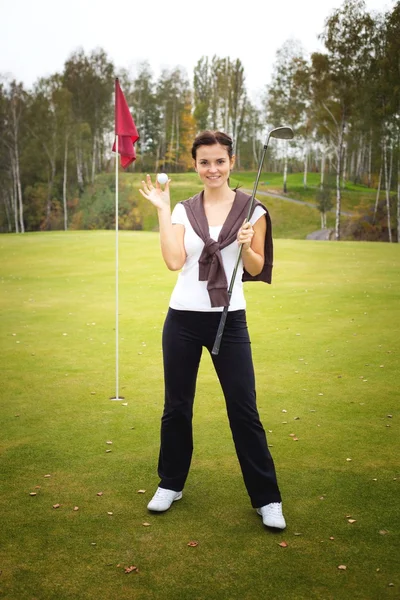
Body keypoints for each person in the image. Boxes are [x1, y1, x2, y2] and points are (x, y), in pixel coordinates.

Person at [139, 130, 286, 530]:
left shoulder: (253, 210)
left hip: (229, 318)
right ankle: (170, 483)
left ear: (231, 162)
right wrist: (163, 207)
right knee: (177, 407)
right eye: (204, 162)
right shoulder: (184, 210)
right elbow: (173, 261)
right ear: (196, 165)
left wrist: (247, 245)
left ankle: (267, 498)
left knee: (244, 409)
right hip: (182, 319)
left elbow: (256, 267)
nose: (212, 169)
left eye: (219, 161)